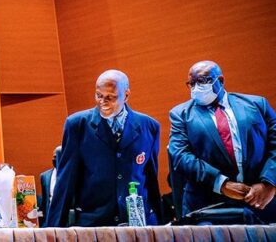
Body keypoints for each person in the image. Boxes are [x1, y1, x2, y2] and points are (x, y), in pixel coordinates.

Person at [47, 70, 161, 227]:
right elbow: (65, 182)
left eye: (110, 97)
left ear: (126, 95)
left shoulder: (149, 126)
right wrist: (52, 231)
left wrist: (160, 223)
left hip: (138, 223)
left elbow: (151, 179)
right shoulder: (76, 125)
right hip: (94, 223)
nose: (103, 102)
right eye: (99, 96)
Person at [168, 60, 276, 222]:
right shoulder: (181, 114)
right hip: (209, 206)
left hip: (262, 201)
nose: (196, 88)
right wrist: (221, 184)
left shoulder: (256, 104)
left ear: (221, 80)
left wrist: (269, 184)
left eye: (202, 81)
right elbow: (180, 155)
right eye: (192, 83)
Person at [38, 145, 62, 221]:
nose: (54, 159)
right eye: (53, 156)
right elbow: (45, 198)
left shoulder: (72, 174)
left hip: (64, 216)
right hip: (48, 216)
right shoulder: (44, 176)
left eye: (56, 156)